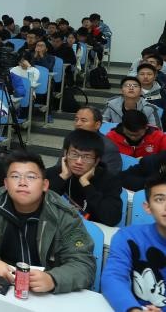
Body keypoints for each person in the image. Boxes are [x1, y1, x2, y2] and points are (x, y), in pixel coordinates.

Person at [0, 149, 95, 294]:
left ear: (45, 185)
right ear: (6, 183)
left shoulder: (64, 214)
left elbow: (83, 264)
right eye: (15, 176)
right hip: (0, 282)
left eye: (31, 177)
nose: (22, 182)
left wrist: (53, 279)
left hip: (43, 292)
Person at [101, 173, 166, 311]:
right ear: (147, 207)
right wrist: (133, 309)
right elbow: (113, 277)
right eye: (160, 199)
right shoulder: (128, 237)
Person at [45, 129, 123, 226]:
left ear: (96, 161)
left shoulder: (110, 180)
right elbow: (36, 204)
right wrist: (62, 177)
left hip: (92, 231)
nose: (79, 161)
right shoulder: (54, 173)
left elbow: (112, 218)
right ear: (65, 154)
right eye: (74, 154)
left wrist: (86, 184)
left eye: (86, 157)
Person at [74, 106, 123, 176]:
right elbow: (60, 167)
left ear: (97, 125)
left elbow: (110, 178)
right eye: (76, 120)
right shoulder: (72, 140)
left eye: (83, 120)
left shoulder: (107, 147)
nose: (78, 124)